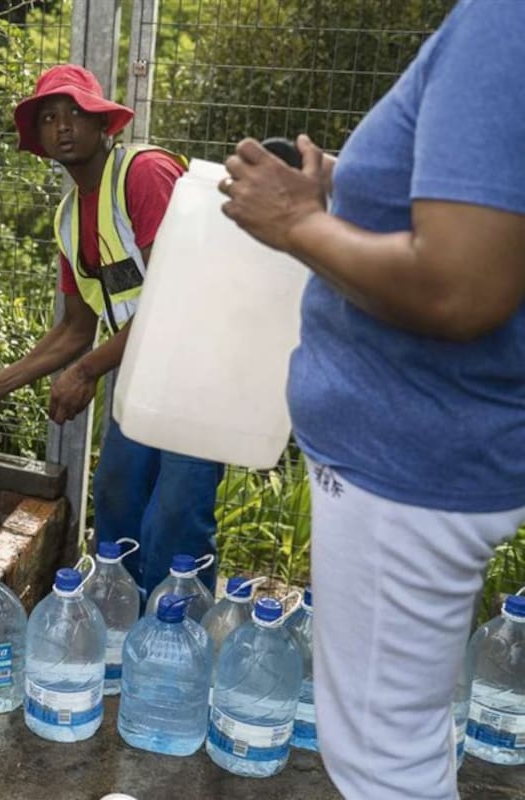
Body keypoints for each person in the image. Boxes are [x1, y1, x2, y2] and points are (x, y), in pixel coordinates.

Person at [217, 3, 525, 798]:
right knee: (407, 732)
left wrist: (295, 222)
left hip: (409, 462)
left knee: (383, 764)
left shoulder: (506, 22)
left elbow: (461, 285)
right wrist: (341, 200)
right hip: (438, 448)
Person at [0, 64, 223, 597]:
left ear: (105, 124)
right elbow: (76, 329)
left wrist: (88, 372)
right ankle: (122, 633)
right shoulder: (71, 219)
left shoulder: (142, 175)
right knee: (118, 498)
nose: (63, 126)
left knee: (175, 520)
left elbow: (177, 298)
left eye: (76, 113)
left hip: (200, 374)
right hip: (143, 373)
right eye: (49, 118)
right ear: (40, 140)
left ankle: (175, 646)